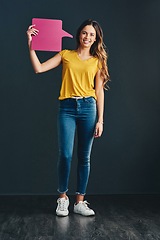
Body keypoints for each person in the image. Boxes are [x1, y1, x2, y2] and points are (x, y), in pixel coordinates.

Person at [26, 19, 110, 217]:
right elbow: (39, 68)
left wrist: (100, 120)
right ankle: (62, 199)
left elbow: (99, 92)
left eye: (91, 35)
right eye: (84, 33)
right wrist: (31, 44)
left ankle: (80, 201)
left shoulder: (98, 61)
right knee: (65, 154)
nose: (87, 37)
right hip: (67, 108)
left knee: (84, 157)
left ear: (96, 38)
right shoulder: (66, 55)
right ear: (78, 34)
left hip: (88, 108)